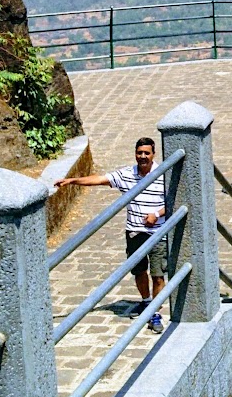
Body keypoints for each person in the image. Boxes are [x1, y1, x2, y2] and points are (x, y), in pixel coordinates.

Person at [55, 136, 169, 332]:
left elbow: (173, 200)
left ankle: (155, 313)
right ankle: (146, 300)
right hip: (134, 232)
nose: (142, 156)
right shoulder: (127, 175)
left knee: (158, 275)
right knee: (139, 271)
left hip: (158, 233)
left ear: (153, 154)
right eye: (139, 153)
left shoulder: (163, 174)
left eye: (146, 153)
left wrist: (157, 214)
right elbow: (100, 179)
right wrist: (73, 181)